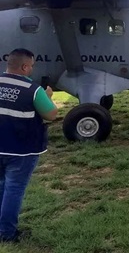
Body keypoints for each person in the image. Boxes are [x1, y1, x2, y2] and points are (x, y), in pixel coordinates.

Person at [0, 48, 58, 243]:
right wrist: (48, 97)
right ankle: (7, 233)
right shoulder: (33, 90)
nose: (32, 70)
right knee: (14, 189)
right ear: (24, 66)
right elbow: (50, 115)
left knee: (1, 186)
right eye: (31, 66)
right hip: (21, 151)